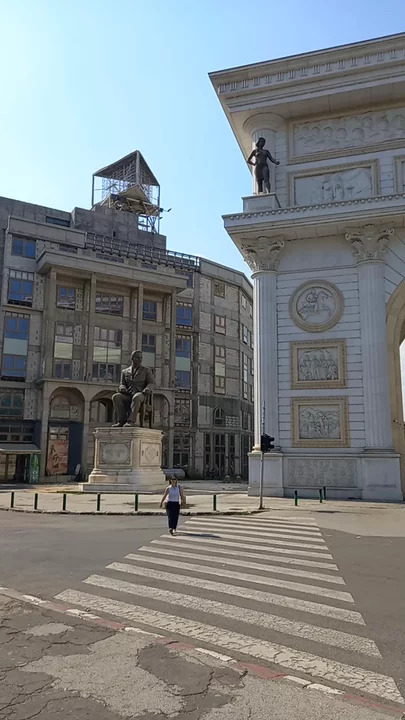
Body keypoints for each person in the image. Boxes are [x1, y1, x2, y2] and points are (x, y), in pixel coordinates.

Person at [112, 350, 154, 427]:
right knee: (116, 396)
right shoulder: (125, 371)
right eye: (138, 358)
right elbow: (122, 384)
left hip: (141, 394)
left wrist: (147, 388)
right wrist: (122, 388)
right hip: (128, 394)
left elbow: (151, 383)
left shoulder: (146, 370)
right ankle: (121, 420)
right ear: (132, 358)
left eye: (141, 357)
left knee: (136, 397)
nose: (140, 359)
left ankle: (131, 421)